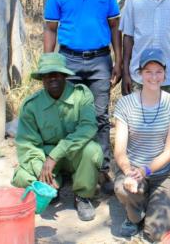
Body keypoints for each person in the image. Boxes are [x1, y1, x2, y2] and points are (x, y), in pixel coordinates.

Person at [43, 0, 121, 193]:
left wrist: (118, 61)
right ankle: (70, 167)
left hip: (100, 61)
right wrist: (48, 65)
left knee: (99, 116)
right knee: (70, 116)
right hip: (69, 62)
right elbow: (50, 29)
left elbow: (114, 28)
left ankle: (101, 169)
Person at [12, 53, 103, 221]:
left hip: (74, 154)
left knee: (92, 150)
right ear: (41, 79)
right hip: (45, 157)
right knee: (21, 177)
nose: (52, 78)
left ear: (65, 75)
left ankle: (82, 196)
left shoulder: (82, 95)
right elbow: (28, 145)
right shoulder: (31, 105)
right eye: (47, 74)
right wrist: (41, 170)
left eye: (57, 73)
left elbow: (88, 127)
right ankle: (52, 187)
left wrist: (56, 154)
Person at [113, 48, 170, 242]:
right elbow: (119, 150)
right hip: (134, 171)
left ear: (165, 74)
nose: (154, 77)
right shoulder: (125, 104)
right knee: (122, 188)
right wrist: (129, 172)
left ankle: (157, 206)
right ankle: (134, 214)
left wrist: (146, 171)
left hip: (163, 173)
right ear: (139, 74)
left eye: (158, 71)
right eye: (148, 71)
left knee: (155, 235)